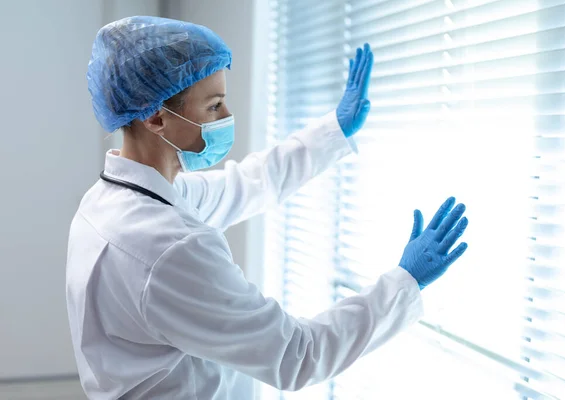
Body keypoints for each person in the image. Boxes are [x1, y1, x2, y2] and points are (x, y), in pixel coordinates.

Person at [66, 16, 469, 399]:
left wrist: (332, 131)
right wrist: (403, 283)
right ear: (156, 119)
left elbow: (249, 184)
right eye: (214, 106)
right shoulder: (168, 249)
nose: (227, 116)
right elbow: (298, 356)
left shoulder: (110, 201)